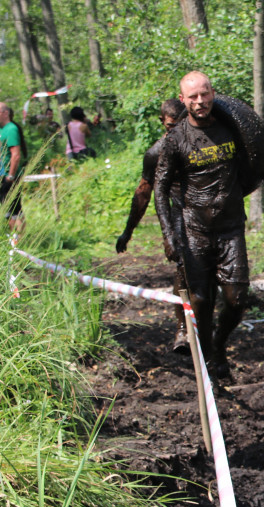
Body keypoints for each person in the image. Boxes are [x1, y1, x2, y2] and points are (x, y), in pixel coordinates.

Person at [154, 71, 264, 384]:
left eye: (205, 94)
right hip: (195, 230)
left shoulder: (232, 127)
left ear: (213, 93)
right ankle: (208, 357)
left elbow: (259, 152)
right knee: (200, 300)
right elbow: (160, 188)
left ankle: (218, 345)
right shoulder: (175, 140)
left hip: (230, 229)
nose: (200, 102)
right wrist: (169, 236)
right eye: (193, 97)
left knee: (237, 299)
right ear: (183, 100)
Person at [116, 98, 189, 354]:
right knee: (184, 269)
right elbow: (143, 193)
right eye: (171, 127)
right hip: (179, 213)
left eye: (181, 125)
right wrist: (128, 231)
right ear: (162, 123)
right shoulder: (155, 153)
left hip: (211, 209)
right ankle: (182, 328)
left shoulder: (201, 141)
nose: (176, 132)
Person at [0, 102, 27, 229]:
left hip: (9, 175)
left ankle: (20, 239)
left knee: (15, 210)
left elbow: (15, 154)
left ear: (6, 113)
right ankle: (13, 238)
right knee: (7, 209)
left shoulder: (11, 129)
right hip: (0, 174)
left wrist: (10, 176)